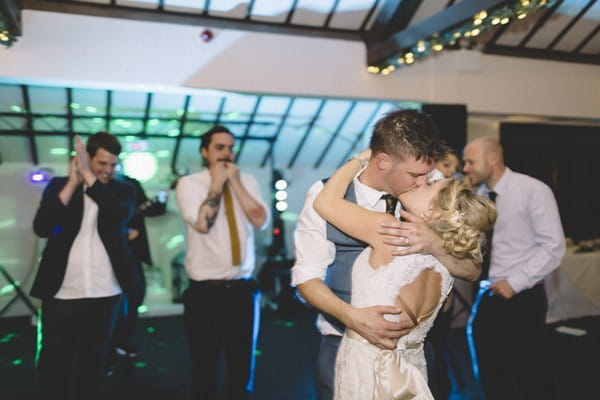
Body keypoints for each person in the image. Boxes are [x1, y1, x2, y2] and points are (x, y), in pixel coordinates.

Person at [291, 109, 482, 400]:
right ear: (382, 161)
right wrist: (352, 317)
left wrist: (434, 243)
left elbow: (472, 270)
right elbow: (306, 279)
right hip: (342, 343)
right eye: (416, 175)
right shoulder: (325, 192)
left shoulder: (428, 191)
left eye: (427, 177)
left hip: (416, 350)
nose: (423, 181)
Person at [30, 132, 137, 400]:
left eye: (113, 165)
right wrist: (73, 182)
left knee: (94, 362)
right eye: (101, 164)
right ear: (87, 158)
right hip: (63, 291)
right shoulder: (59, 186)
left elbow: (116, 213)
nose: (108, 170)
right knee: (54, 360)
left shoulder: (124, 189)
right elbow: (42, 227)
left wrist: (89, 177)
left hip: (106, 292)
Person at [463, 137, 566, 400]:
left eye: (471, 161)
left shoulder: (533, 190)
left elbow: (553, 247)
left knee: (529, 372)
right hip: (488, 293)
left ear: (493, 159)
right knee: (489, 371)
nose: (465, 168)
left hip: (523, 296)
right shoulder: (480, 196)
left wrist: (515, 282)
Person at [175, 125, 268, 400]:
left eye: (230, 147)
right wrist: (216, 183)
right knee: (205, 369)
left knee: (242, 368)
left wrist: (235, 182)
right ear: (204, 152)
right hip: (205, 292)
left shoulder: (247, 181)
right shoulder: (189, 184)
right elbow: (203, 224)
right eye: (219, 148)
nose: (227, 154)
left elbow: (260, 221)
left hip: (243, 289)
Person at [109, 175, 167, 361]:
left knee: (136, 293)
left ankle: (121, 339)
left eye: (113, 163)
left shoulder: (131, 183)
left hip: (133, 251)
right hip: (107, 251)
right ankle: (107, 347)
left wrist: (162, 199)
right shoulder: (96, 185)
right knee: (107, 299)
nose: (109, 168)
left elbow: (149, 209)